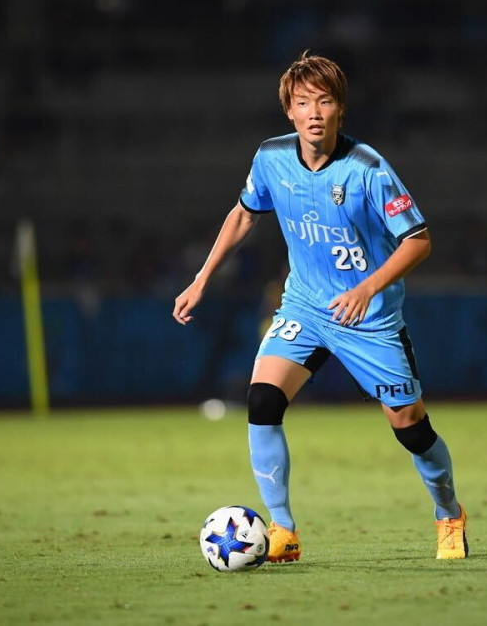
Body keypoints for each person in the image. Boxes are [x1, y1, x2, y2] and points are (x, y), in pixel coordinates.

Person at [172, 52, 467, 562]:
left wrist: (366, 289)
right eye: (303, 102)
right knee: (262, 401)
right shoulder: (271, 158)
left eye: (325, 101)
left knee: (410, 427)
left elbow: (418, 241)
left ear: (340, 109)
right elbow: (243, 215)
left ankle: (449, 512)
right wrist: (202, 278)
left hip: (370, 319)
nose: (314, 112)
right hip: (305, 308)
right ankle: (283, 531)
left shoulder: (368, 168)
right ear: (289, 110)